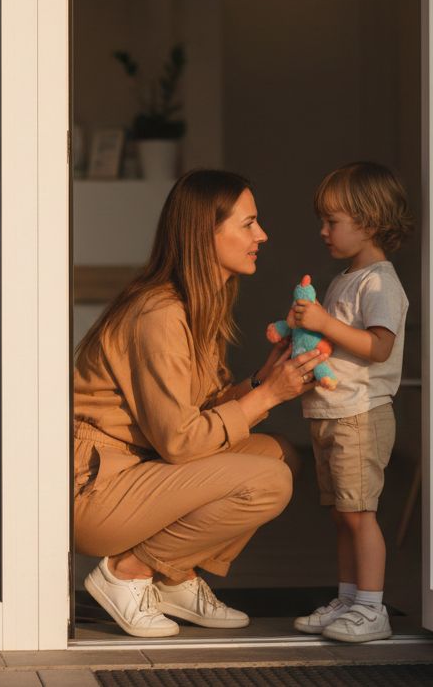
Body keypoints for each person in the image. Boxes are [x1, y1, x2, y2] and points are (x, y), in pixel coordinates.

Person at [73, 168, 330, 638]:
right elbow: (180, 440)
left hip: (138, 472)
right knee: (267, 480)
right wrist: (269, 395)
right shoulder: (158, 314)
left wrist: (259, 381)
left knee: (278, 454)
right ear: (204, 233)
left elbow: (200, 409)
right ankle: (128, 572)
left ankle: (175, 576)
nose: (262, 235)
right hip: (98, 491)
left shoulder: (196, 306)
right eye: (248, 224)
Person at [290, 162, 414, 643]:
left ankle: (371, 607)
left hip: (361, 414)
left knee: (361, 513)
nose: (323, 231)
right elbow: (333, 343)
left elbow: (377, 347)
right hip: (331, 413)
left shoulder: (381, 282)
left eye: (332, 221)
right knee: (343, 512)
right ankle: (348, 597)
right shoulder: (346, 278)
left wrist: (323, 324)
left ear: (369, 221)